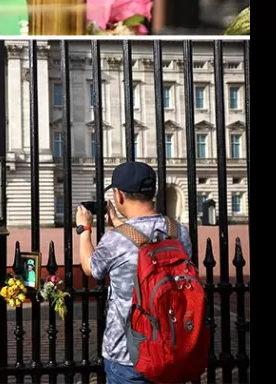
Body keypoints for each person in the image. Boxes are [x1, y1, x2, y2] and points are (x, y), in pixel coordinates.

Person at [78, 161, 196, 384]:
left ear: (119, 195)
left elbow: (90, 267)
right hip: (172, 342)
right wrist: (118, 223)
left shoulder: (115, 239)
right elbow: (147, 240)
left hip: (127, 351)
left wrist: (84, 229)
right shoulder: (177, 230)